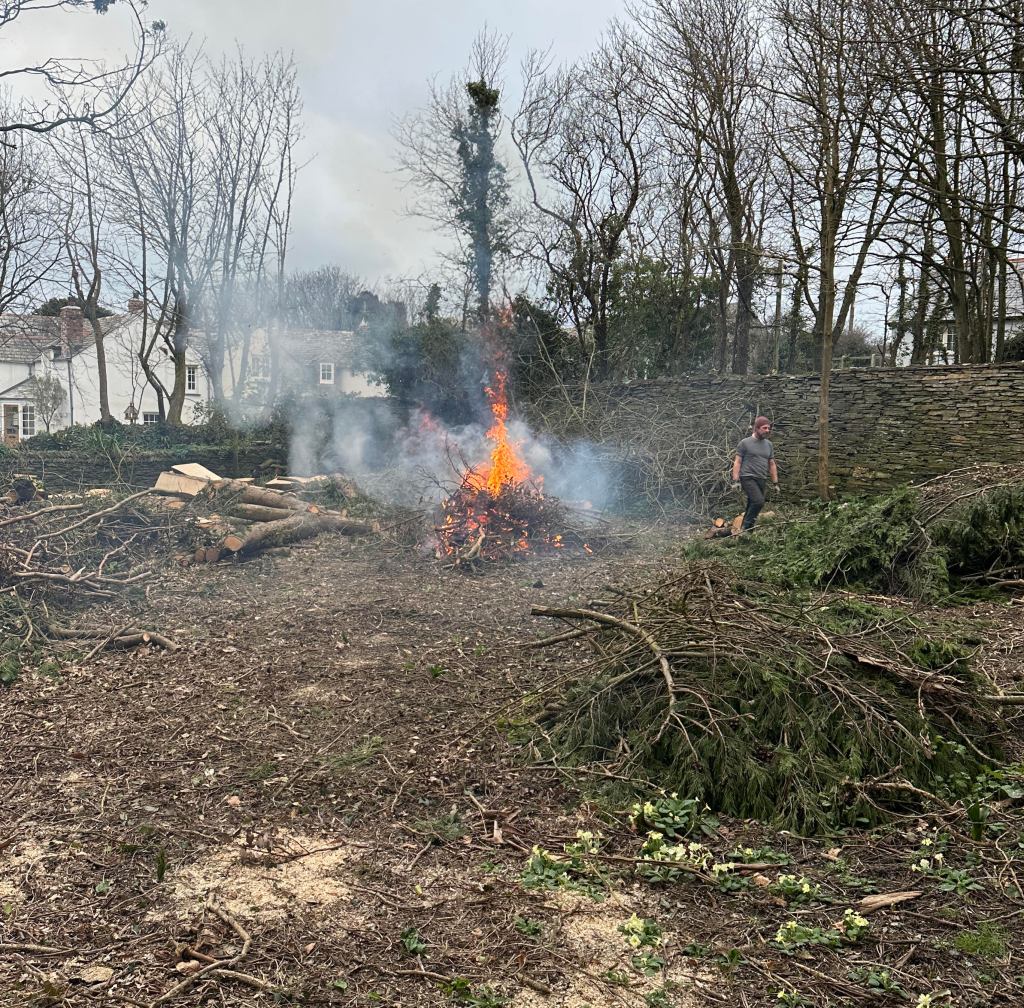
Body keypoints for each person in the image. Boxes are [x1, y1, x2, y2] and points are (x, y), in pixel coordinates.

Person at [730, 415, 778, 532]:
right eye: (764, 428)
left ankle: (747, 531)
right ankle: (746, 528)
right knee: (758, 501)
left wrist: (775, 482)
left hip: (761, 477)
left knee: (752, 504)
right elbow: (737, 462)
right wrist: (735, 481)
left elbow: (771, 464)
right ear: (756, 428)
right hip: (747, 477)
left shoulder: (769, 445)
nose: (767, 430)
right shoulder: (745, 443)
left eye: (768, 428)